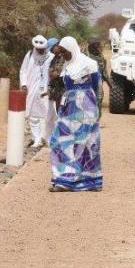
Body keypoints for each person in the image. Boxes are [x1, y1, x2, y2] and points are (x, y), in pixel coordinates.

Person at [48, 36, 103, 192]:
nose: (62, 54)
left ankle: (86, 181)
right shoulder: (67, 65)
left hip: (85, 107)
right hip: (68, 107)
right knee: (58, 140)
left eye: (64, 51)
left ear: (72, 48)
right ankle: (65, 177)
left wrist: (96, 109)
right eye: (61, 52)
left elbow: (96, 86)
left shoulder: (89, 63)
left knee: (84, 143)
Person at [19, 35, 52, 148]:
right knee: (32, 114)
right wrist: (24, 84)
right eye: (37, 49)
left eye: (41, 49)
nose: (39, 50)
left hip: (46, 89)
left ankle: (45, 138)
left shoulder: (51, 57)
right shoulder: (29, 55)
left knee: (46, 114)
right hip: (32, 88)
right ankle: (36, 138)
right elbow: (23, 71)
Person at [86, 38, 111, 111]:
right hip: (87, 82)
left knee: (99, 97)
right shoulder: (85, 56)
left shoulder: (101, 57)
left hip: (98, 81)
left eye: (99, 45)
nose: (99, 47)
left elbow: (104, 71)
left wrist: (109, 83)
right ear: (92, 46)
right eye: (97, 45)